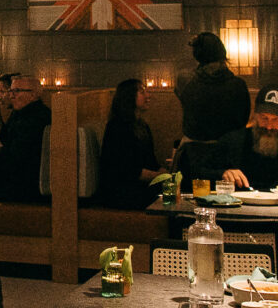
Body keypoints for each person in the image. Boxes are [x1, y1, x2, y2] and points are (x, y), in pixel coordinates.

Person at [208, 84, 278, 192]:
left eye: (276, 120)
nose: (269, 126)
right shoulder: (231, 142)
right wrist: (223, 173)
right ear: (255, 114)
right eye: (264, 118)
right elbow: (200, 175)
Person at [97, 79, 161, 209]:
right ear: (129, 97)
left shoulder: (142, 126)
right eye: (142, 92)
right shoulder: (117, 128)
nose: (149, 96)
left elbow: (151, 162)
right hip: (121, 192)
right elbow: (128, 171)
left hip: (137, 186)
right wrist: (161, 176)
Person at [176, 31, 250, 141]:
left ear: (197, 55)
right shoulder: (238, 85)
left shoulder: (185, 82)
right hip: (230, 150)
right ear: (222, 52)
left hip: (194, 151)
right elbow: (243, 120)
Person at [0, 75, 51, 202]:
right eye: (10, 91)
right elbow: (5, 138)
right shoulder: (19, 112)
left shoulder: (38, 117)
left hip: (25, 186)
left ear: (33, 95)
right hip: (15, 175)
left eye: (16, 91)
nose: (11, 96)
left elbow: (15, 159)